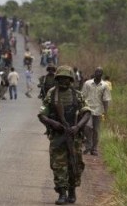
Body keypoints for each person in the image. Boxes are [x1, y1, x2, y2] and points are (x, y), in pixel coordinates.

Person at [37, 65, 92, 205]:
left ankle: (72, 191)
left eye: (66, 79)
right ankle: (62, 192)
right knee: (58, 165)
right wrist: (52, 123)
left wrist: (78, 127)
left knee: (75, 164)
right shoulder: (51, 93)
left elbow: (86, 112)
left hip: (74, 137)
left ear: (71, 80)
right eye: (60, 78)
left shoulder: (77, 95)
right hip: (57, 136)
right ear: (56, 79)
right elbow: (41, 115)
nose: (63, 81)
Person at [81, 67, 111, 156]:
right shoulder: (87, 83)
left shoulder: (105, 85)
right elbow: (82, 95)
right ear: (94, 73)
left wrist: (106, 112)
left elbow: (106, 99)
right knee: (87, 127)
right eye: (96, 71)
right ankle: (88, 145)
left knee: (96, 130)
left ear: (102, 74)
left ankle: (94, 149)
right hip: (87, 109)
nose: (98, 73)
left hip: (98, 110)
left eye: (100, 72)